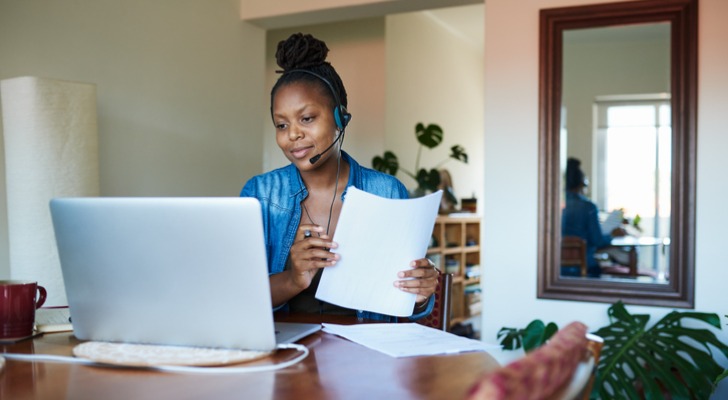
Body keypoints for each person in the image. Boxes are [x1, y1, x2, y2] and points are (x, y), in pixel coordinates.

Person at [241, 33, 437, 321]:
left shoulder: (387, 191)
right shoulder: (261, 194)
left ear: (340, 118)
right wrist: (294, 278)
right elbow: (241, 298)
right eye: (281, 124)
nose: (292, 134)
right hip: (286, 353)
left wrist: (420, 295)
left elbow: (404, 304)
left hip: (367, 353)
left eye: (307, 118)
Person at [561, 157, 626, 277]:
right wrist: (613, 234)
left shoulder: (556, 203)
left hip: (556, 268)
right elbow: (598, 241)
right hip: (584, 267)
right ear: (582, 184)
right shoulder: (588, 207)